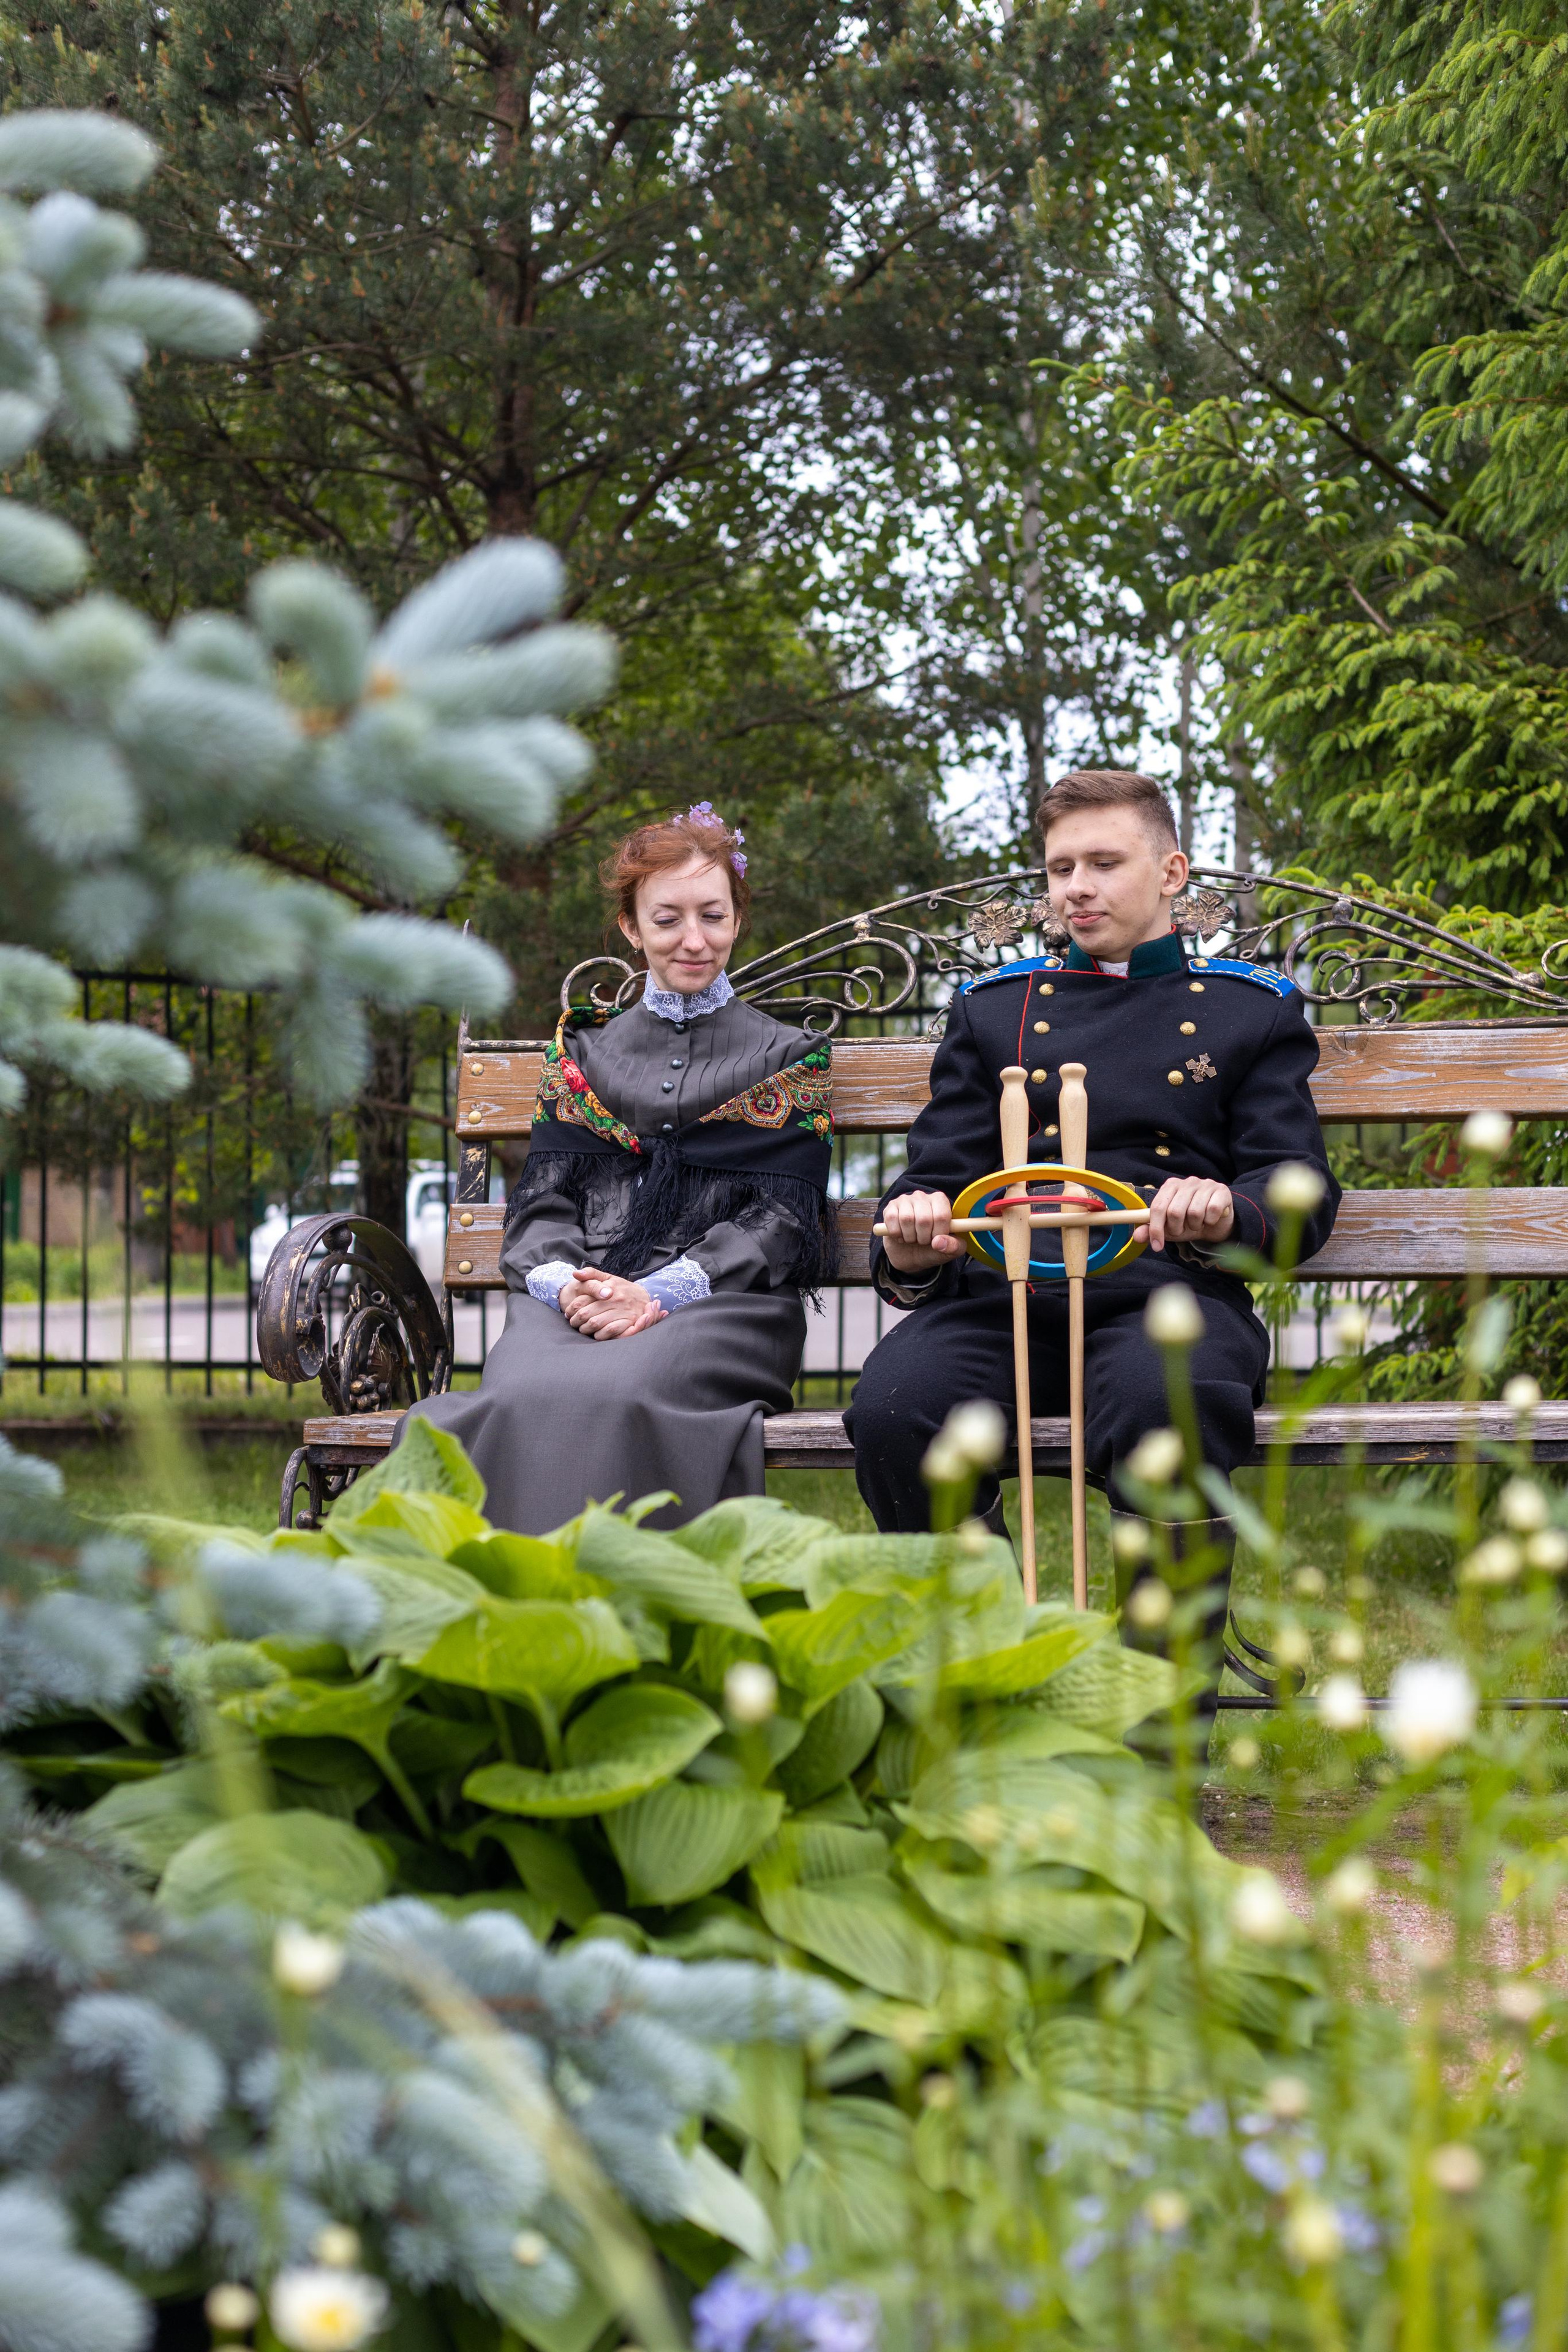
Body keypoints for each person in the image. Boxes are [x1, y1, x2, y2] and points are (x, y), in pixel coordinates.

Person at [846, 767, 1340, 1697]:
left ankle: (1163, 1726)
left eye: (1106, 862)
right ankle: (994, 1690)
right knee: (893, 1405)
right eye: (1062, 866)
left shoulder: (1249, 1010)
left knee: (1174, 1407)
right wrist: (910, 1239)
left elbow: (1295, 1182)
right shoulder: (994, 1012)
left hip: (1168, 1296)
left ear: (1171, 873)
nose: (1078, 885)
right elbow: (933, 1182)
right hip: (1003, 1295)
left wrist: (1227, 1209)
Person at [401, 804, 834, 1532]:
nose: (693, 941)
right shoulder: (583, 1055)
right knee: (516, 1394)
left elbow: (782, 1223)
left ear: (738, 918)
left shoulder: (788, 1056)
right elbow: (541, 1207)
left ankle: (641, 1612)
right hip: (575, 1294)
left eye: (713, 916)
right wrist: (570, 1285)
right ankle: (517, 1607)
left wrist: (657, 1293)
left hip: (725, 1301)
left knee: (629, 1389)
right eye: (667, 920)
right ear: (633, 929)